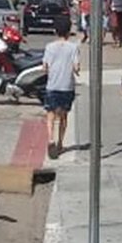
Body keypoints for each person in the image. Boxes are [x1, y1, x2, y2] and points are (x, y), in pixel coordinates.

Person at [43, 17, 81, 159]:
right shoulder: (73, 48)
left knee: (50, 115)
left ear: (55, 31)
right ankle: (60, 144)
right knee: (63, 116)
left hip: (52, 85)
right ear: (69, 31)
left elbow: (45, 67)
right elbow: (76, 68)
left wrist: (51, 72)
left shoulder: (49, 47)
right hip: (67, 86)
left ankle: (50, 139)